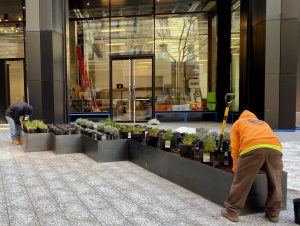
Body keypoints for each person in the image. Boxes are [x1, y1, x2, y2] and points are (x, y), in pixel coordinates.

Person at [221, 110, 283, 223]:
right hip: (275, 150)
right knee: (275, 182)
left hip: (252, 149)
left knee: (242, 181)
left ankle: (232, 211)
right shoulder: (263, 123)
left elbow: (235, 148)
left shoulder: (238, 123)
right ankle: (273, 213)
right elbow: (269, 140)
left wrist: (236, 168)